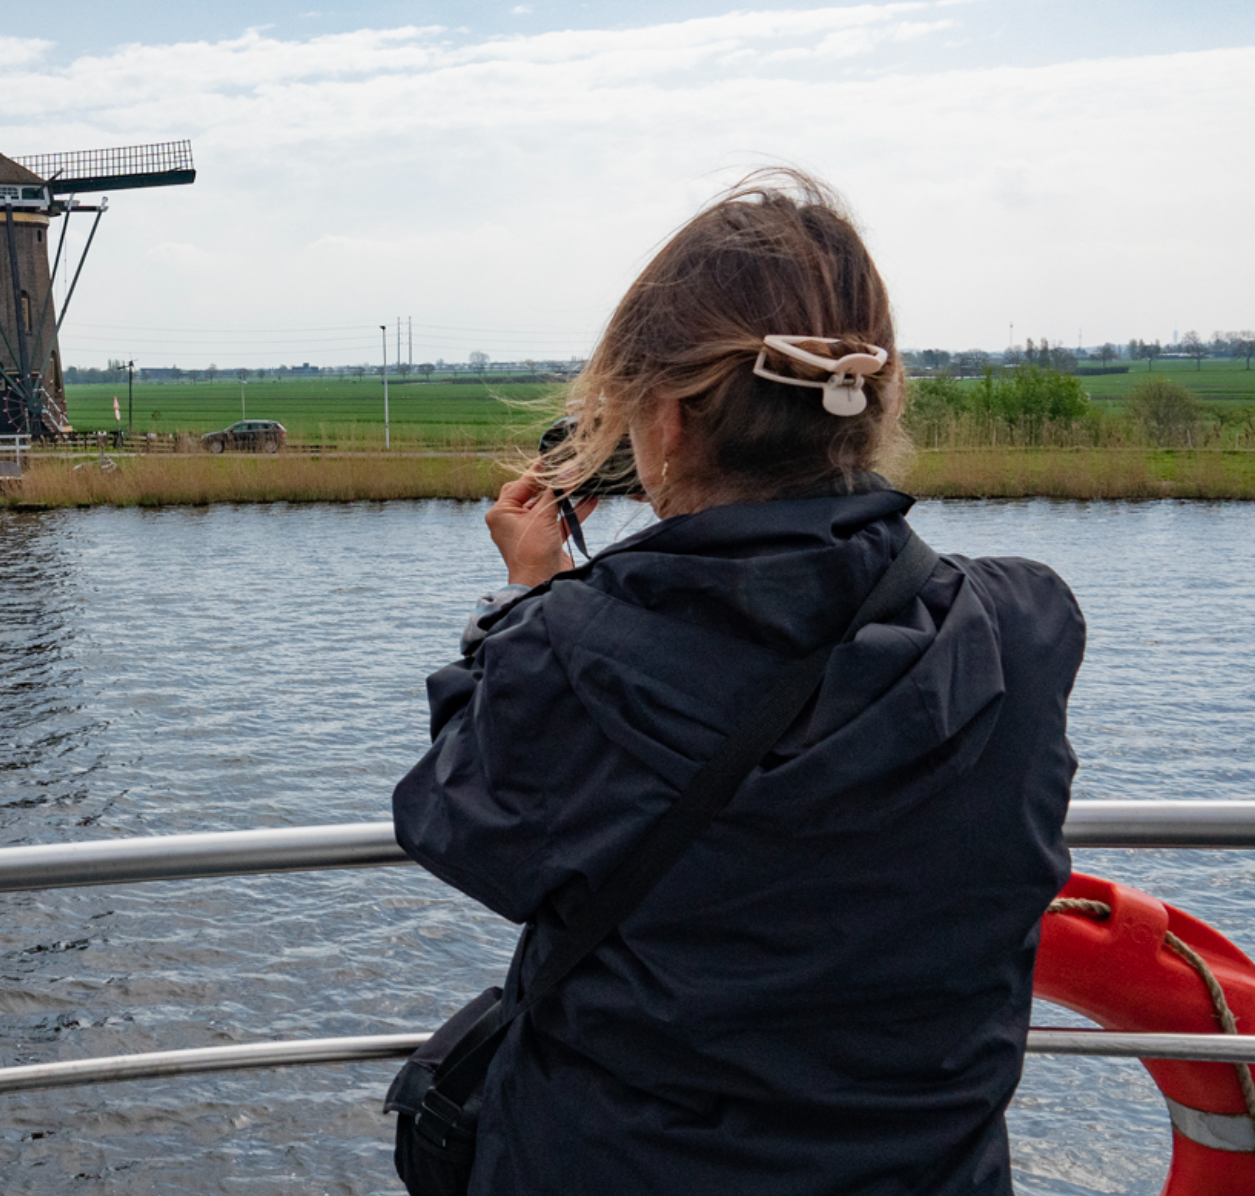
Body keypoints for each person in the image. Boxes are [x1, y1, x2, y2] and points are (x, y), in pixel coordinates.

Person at [392, 172, 1081, 1194]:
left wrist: (526, 600)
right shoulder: (1022, 629)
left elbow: (462, 825)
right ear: (875, 400)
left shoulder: (566, 652)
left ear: (668, 423)